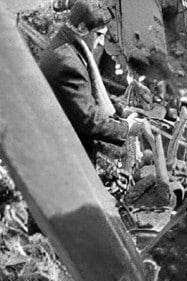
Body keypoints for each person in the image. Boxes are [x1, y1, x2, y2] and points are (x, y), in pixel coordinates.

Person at [39, 0, 145, 161]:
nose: (101, 42)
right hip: (66, 155)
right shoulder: (67, 62)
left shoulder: (66, 46)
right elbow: (88, 121)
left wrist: (119, 110)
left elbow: (83, 92)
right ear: (82, 28)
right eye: (99, 34)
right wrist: (127, 127)